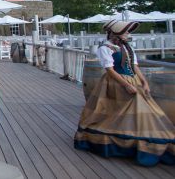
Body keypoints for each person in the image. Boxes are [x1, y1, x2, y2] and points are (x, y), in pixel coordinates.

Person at [74, 20, 175, 166]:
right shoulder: (106, 48)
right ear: (117, 33)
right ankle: (128, 143)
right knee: (120, 112)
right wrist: (126, 84)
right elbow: (110, 70)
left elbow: (134, 66)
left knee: (137, 112)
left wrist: (144, 82)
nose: (128, 34)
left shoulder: (127, 47)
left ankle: (137, 143)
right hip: (116, 83)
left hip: (134, 82)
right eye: (126, 32)